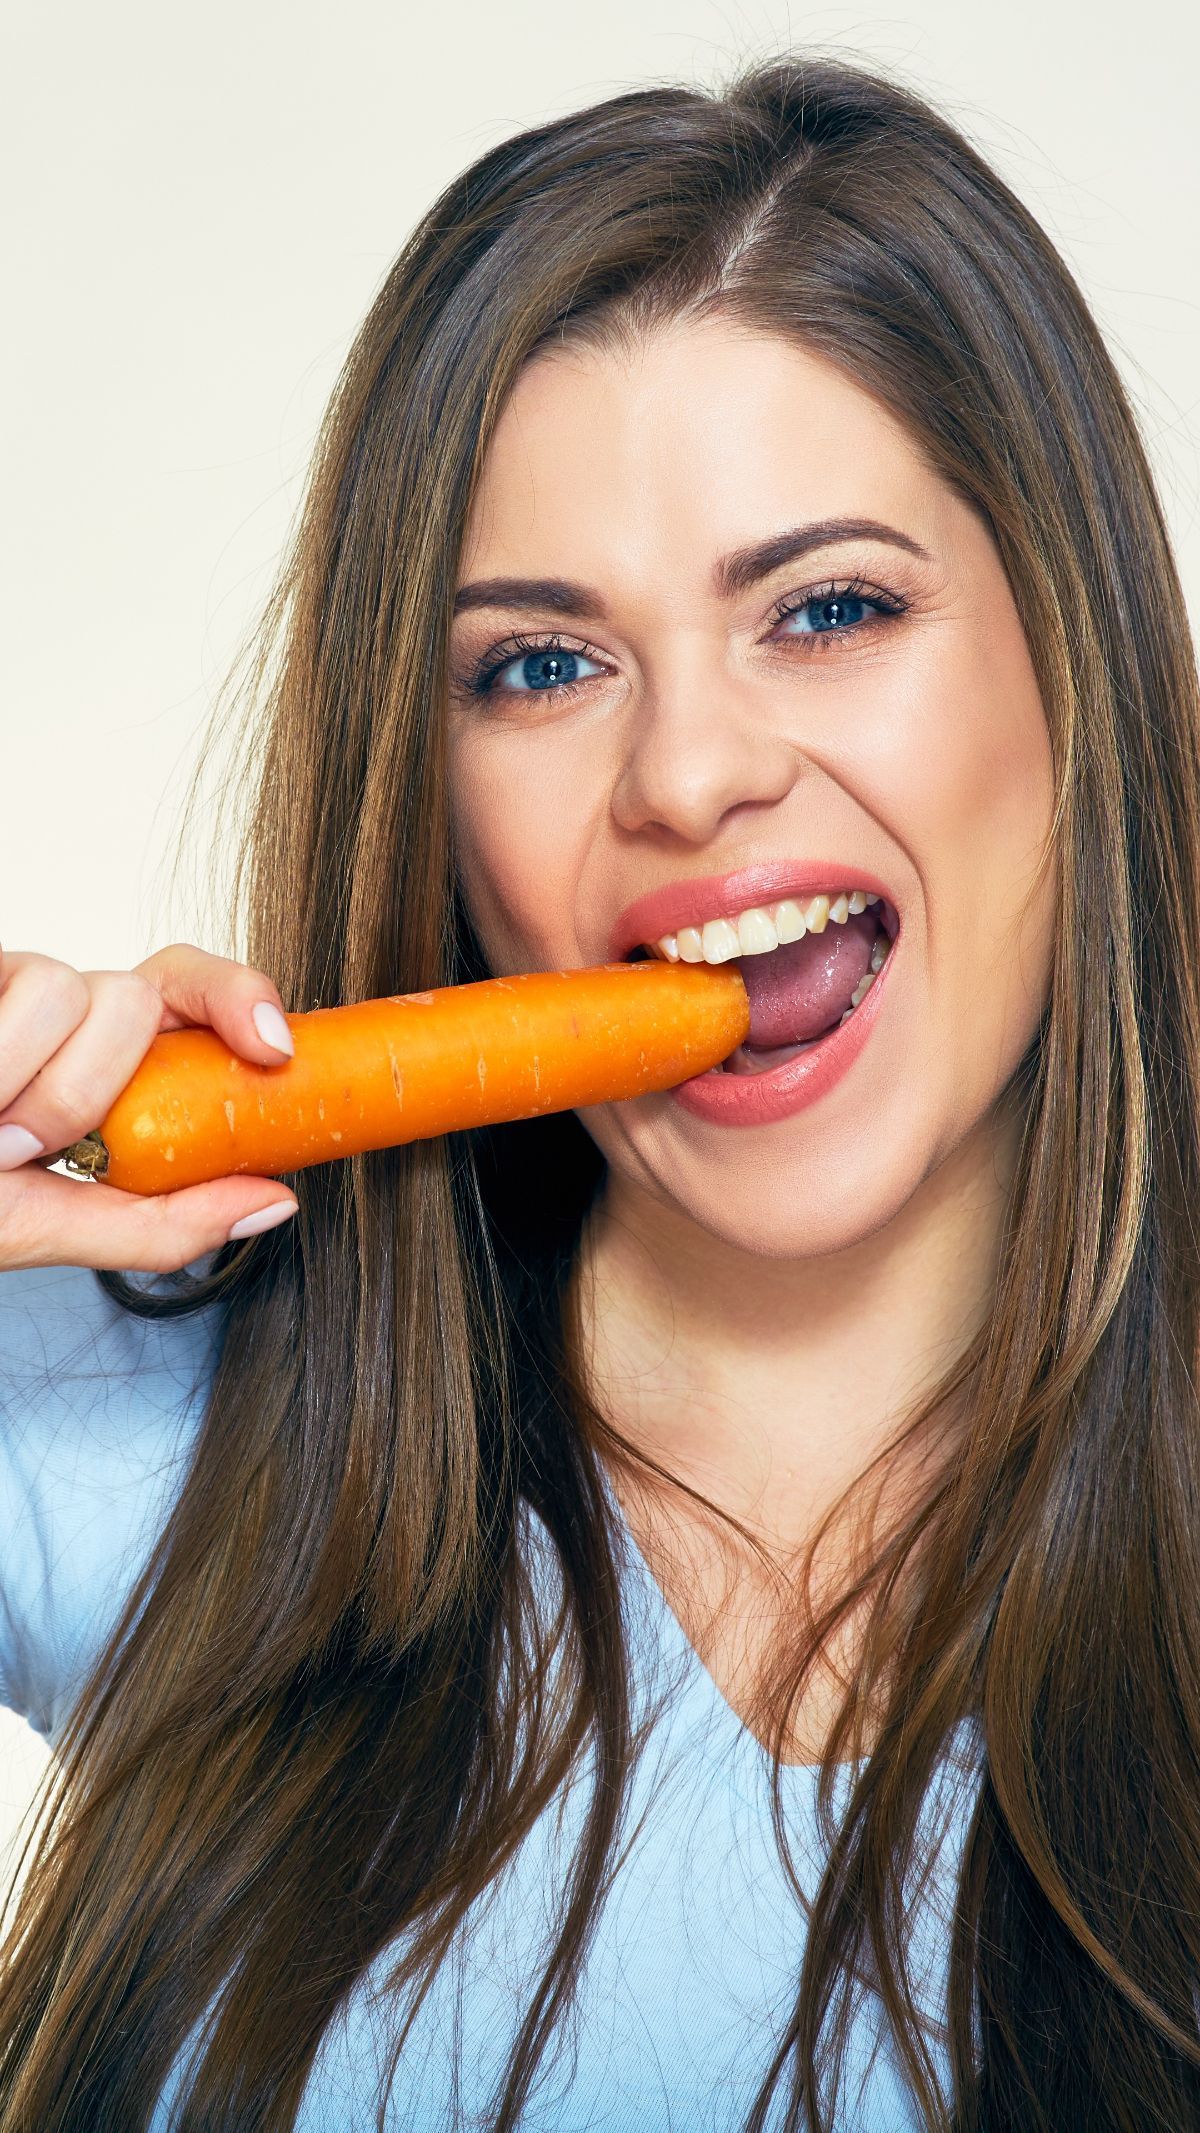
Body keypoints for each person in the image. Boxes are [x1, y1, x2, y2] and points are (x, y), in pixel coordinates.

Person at [1, 49, 1197, 2133]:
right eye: (540, 665)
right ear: (438, 797)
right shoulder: (120, 1421)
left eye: (829, 610)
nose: (684, 773)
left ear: (1070, 680)